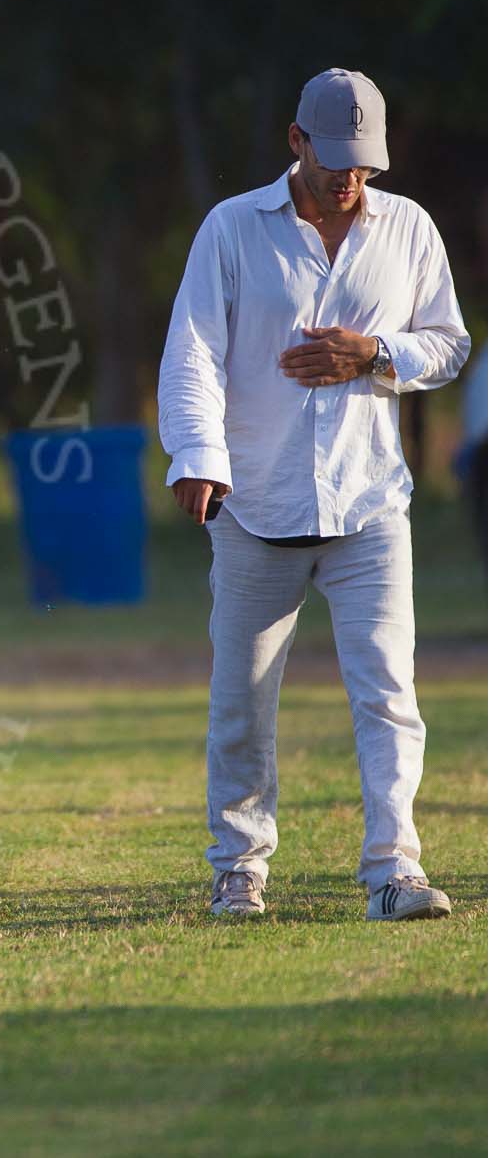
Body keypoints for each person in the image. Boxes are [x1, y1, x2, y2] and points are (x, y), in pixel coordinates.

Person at [158, 68, 470, 921]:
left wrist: (374, 354)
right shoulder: (231, 230)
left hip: (370, 506)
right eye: (334, 161)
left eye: (363, 164)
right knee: (242, 700)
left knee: (387, 691)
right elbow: (191, 351)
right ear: (295, 141)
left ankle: (394, 870)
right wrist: (197, 452)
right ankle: (239, 866)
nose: (348, 179)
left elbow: (448, 344)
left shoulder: (407, 228)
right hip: (255, 507)